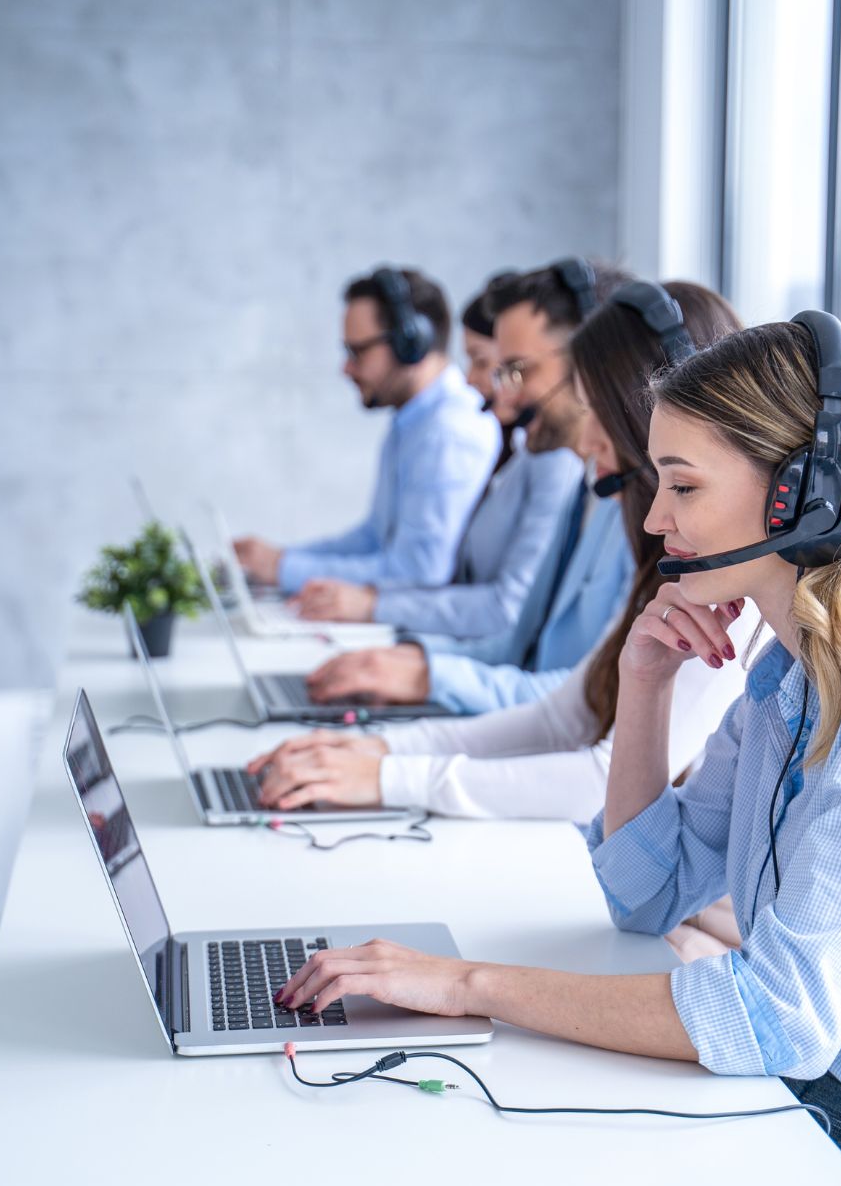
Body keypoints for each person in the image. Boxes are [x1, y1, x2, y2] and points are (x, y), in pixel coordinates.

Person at [274, 315, 841, 1186]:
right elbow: (642, 890)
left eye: (682, 486)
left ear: (802, 498)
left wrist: (466, 985)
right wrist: (640, 687)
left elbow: (773, 1012)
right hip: (816, 1108)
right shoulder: (790, 674)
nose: (653, 521)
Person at [249, 280, 748, 827]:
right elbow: (563, 718)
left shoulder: (724, 591)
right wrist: (384, 752)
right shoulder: (652, 542)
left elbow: (601, 779)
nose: (584, 441)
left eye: (596, 407)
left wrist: (393, 772)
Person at [298, 258, 636, 715]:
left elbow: (591, 701)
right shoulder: (586, 487)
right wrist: (415, 660)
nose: (501, 393)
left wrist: (424, 675)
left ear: (591, 366)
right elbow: (518, 645)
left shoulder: (641, 515)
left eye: (517, 370)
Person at [291, 273, 583, 640]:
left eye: (492, 364)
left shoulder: (541, 455)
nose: (475, 380)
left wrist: (375, 611)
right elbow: (376, 535)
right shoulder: (522, 451)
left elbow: (499, 606)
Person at [234, 266, 499, 595]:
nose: (346, 368)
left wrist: (284, 569)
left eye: (357, 352)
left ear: (410, 342)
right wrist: (280, 560)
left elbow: (419, 571)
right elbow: (374, 538)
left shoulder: (448, 433)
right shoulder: (412, 420)